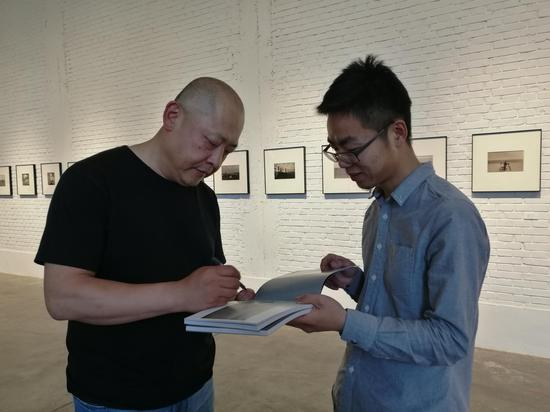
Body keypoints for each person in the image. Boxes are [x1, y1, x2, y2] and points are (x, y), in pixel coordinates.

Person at [35, 77, 254, 411]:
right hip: (117, 395)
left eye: (228, 150)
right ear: (172, 116)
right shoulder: (91, 182)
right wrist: (182, 293)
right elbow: (63, 298)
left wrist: (227, 298)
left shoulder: (205, 198)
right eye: (211, 142)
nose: (216, 160)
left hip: (197, 383)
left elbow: (198, 282)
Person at [291, 55, 490, 411]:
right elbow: (400, 303)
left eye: (352, 149)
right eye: (335, 150)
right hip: (358, 393)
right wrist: (356, 281)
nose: (343, 163)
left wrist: (345, 322)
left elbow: (450, 339)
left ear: (397, 133)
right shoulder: (378, 209)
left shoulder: (450, 216)